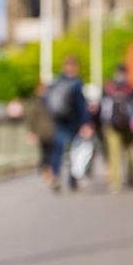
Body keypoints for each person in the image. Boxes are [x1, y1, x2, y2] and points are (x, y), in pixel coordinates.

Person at [45, 55, 92, 192]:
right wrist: (86, 123)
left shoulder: (55, 82)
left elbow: (48, 103)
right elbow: (81, 105)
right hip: (73, 123)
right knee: (73, 152)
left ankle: (55, 175)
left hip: (58, 122)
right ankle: (72, 180)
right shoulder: (76, 83)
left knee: (58, 151)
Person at [100, 65, 133, 193]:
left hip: (115, 125)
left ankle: (116, 182)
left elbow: (104, 106)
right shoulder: (130, 87)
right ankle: (128, 178)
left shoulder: (110, 87)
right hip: (123, 125)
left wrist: (104, 121)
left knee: (116, 154)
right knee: (127, 152)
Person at [23, 82, 56, 184]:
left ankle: (49, 171)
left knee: (51, 152)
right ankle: (46, 170)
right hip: (42, 132)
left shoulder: (51, 100)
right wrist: (32, 132)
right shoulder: (36, 102)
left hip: (52, 131)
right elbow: (31, 118)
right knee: (45, 152)